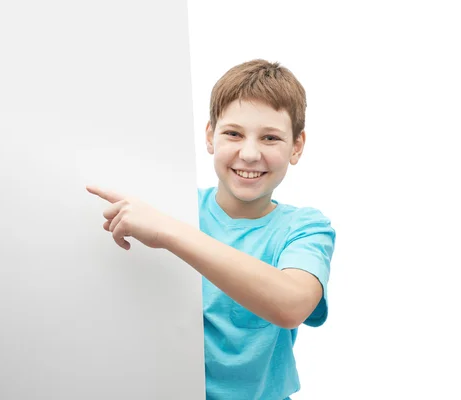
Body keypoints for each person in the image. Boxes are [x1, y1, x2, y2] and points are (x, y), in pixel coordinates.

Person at [86, 59, 336, 399]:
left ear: (297, 146)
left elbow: (291, 305)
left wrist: (168, 232)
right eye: (233, 133)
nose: (249, 154)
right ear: (210, 136)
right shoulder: (174, 207)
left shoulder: (306, 228)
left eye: (270, 138)